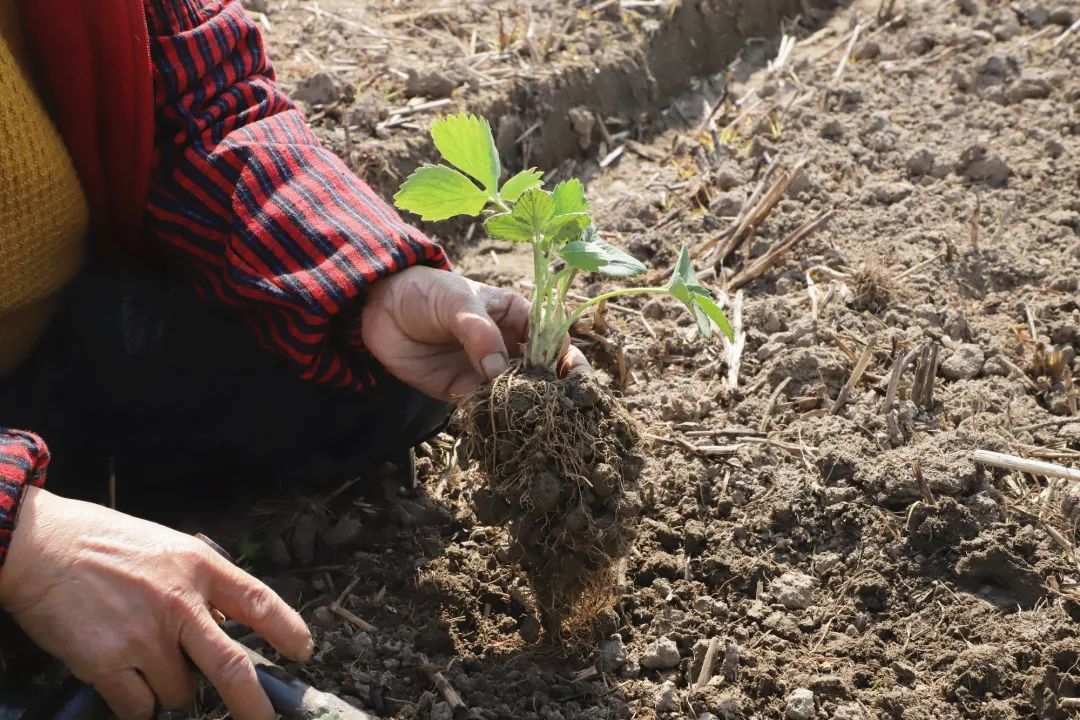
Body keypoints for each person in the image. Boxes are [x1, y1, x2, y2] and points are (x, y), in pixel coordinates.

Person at [0, 1, 586, 718]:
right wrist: (23, 538)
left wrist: (368, 280)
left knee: (394, 368)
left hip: (49, 341)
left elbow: (206, 102)